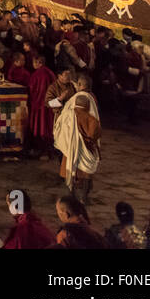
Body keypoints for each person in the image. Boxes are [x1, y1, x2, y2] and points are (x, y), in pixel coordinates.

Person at [53, 73, 100, 202]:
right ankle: (79, 197)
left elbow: (74, 119)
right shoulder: (92, 98)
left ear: (80, 85)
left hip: (76, 140)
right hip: (82, 140)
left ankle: (76, 197)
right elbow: (95, 126)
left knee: (76, 170)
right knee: (83, 172)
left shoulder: (79, 99)